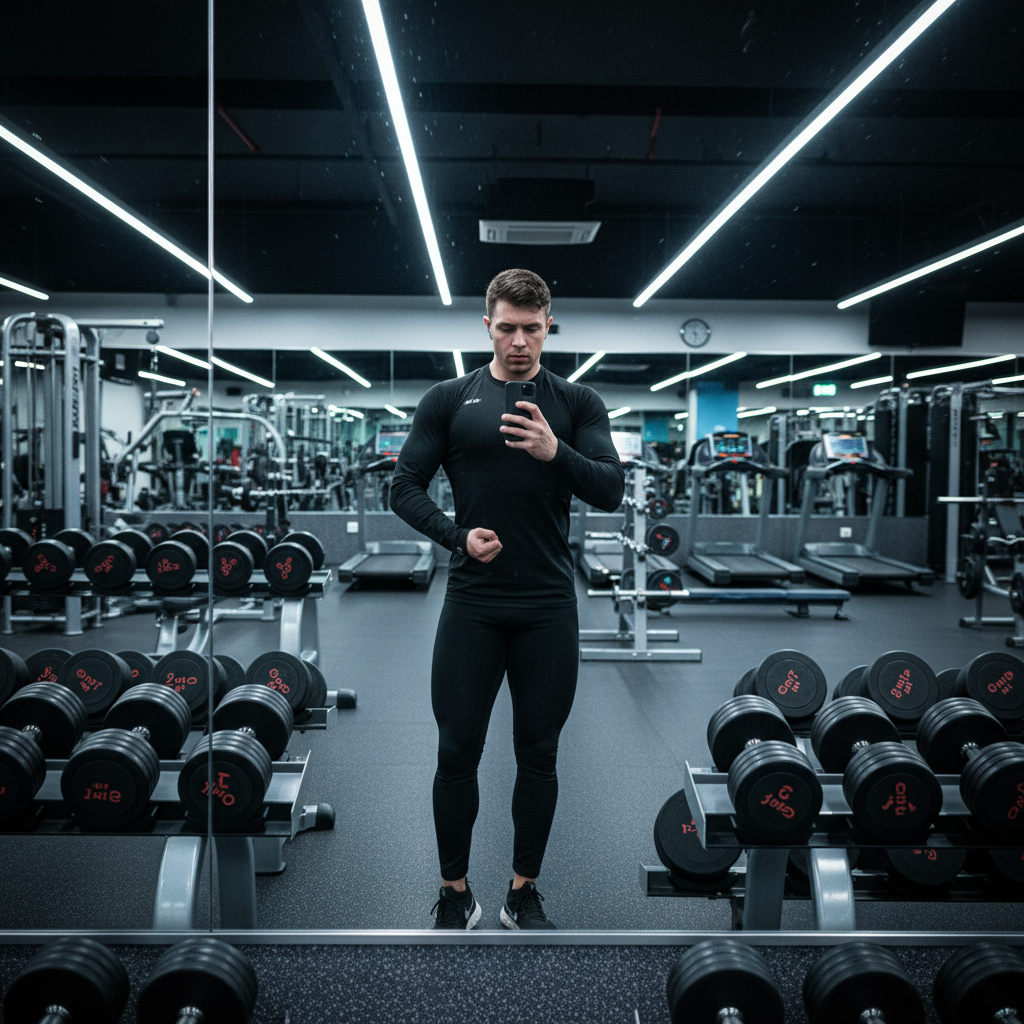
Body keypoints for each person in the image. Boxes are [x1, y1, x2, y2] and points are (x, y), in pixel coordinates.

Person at [389, 268, 625, 929]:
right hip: (472, 603)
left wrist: (556, 453)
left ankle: (523, 892)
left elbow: (610, 489)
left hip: (549, 605)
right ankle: (454, 892)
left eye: (530, 328)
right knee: (456, 751)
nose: (518, 341)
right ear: (486, 326)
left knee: (539, 753)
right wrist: (456, 536)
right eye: (506, 327)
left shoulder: (577, 405)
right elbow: (403, 487)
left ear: (549, 325)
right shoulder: (449, 398)